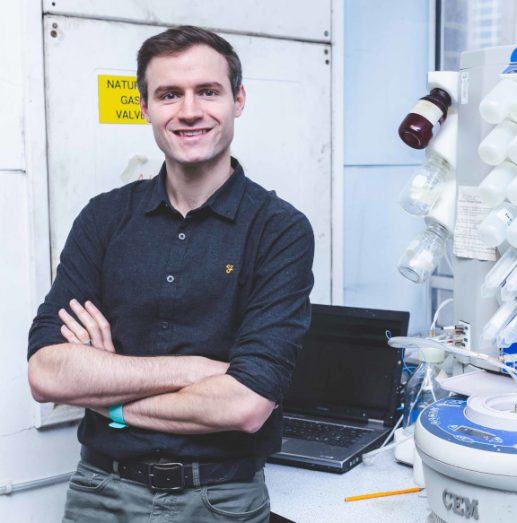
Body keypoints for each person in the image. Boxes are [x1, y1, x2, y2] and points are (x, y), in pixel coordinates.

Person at [27, 25, 314, 522]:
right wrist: (198, 370)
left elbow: (244, 405)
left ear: (238, 99)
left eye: (207, 91)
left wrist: (109, 401)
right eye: (168, 95)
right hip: (100, 492)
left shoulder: (279, 230)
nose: (188, 111)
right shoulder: (104, 218)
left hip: (220, 499)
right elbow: (47, 373)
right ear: (145, 108)